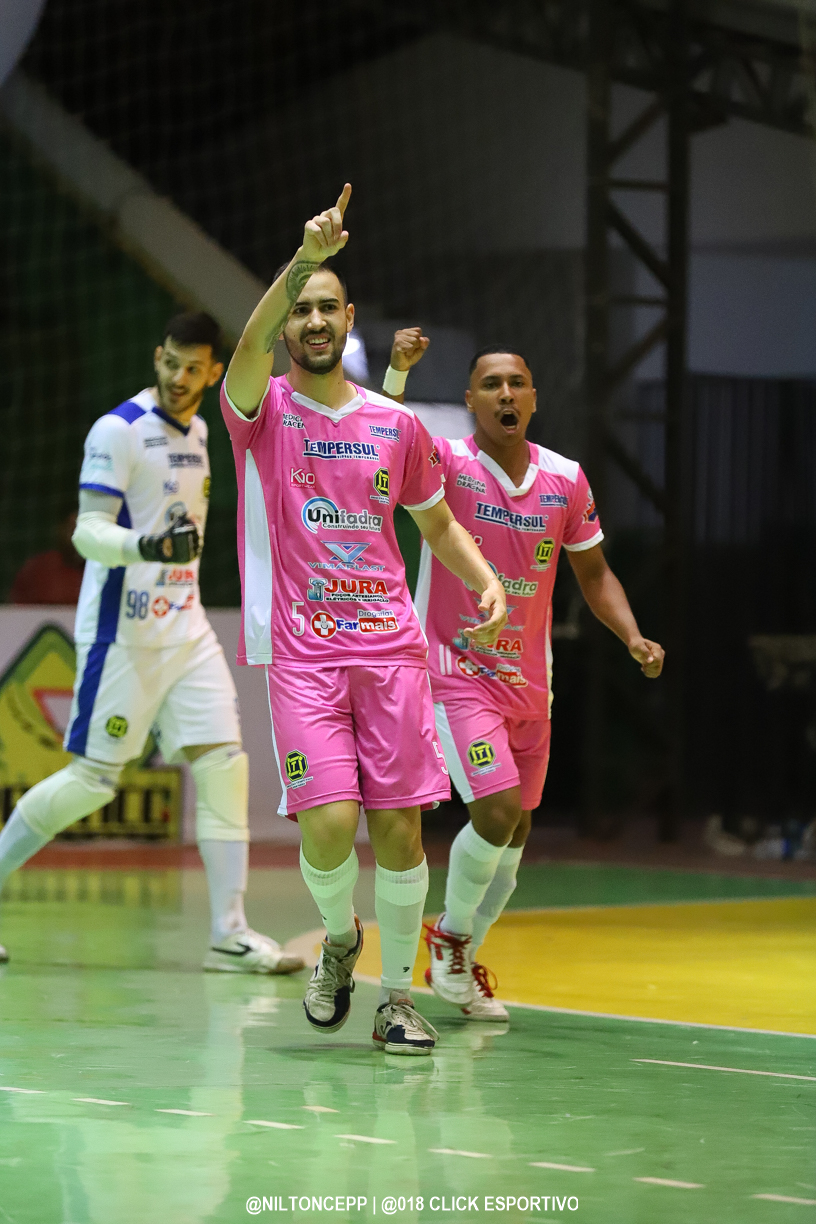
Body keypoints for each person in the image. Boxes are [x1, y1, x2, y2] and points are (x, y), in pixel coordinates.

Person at [220, 184, 507, 1055]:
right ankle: (338, 942)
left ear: (349, 319)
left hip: (390, 650)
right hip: (303, 654)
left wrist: (485, 577)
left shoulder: (395, 423)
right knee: (330, 827)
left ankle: (395, 998)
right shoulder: (261, 409)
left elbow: (437, 522)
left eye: (324, 306)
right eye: (300, 308)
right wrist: (303, 256)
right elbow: (244, 344)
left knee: (399, 831)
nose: (311, 319)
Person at [0, 312, 302, 976]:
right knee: (92, 782)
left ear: (213, 372)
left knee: (226, 761)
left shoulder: (199, 430)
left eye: (193, 367)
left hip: (187, 628)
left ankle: (229, 931)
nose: (178, 376)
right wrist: (146, 547)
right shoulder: (118, 430)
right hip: (122, 632)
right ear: (156, 356)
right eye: (170, 361)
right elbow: (87, 532)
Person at [383, 331, 665, 1021]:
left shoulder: (565, 479)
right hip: (453, 670)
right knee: (496, 812)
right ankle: (447, 939)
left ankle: (461, 952)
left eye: (517, 383)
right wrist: (395, 371)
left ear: (533, 398)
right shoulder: (445, 462)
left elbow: (594, 576)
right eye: (491, 384)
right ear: (470, 400)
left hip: (527, 683)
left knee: (515, 836)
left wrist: (631, 634)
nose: (505, 394)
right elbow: (379, 441)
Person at [9, 508, 85, 604]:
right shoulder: (37, 567)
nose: (73, 535)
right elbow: (15, 609)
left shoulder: (100, 567)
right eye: (70, 528)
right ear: (59, 529)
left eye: (78, 528)